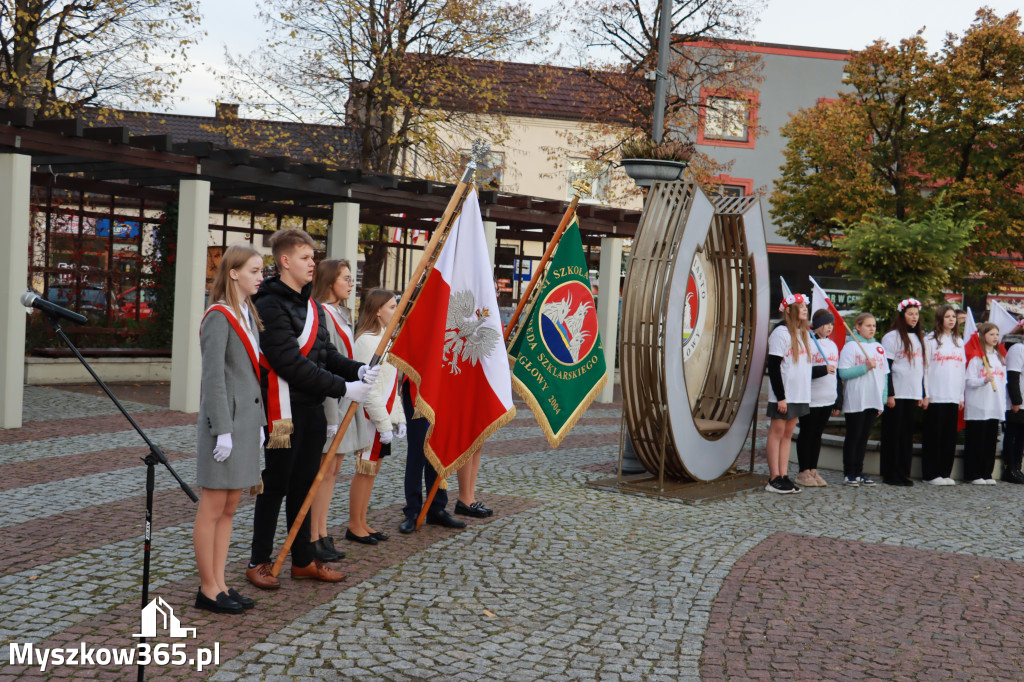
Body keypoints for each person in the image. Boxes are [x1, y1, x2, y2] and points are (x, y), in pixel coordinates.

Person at [246, 229, 378, 590]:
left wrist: (357, 370)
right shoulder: (269, 304)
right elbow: (289, 363)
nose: (312, 264)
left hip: (312, 412)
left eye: (313, 257)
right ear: (285, 261)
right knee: (276, 486)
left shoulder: (312, 306)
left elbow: (326, 355)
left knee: (305, 486)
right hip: (283, 412)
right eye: (305, 258)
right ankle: (258, 560)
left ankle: (302, 559)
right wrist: (343, 388)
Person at [194, 245, 267, 614]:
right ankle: (207, 588)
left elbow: (249, 377)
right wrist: (222, 429)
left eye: (261, 270)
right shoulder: (219, 316)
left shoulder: (246, 313)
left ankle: (220, 583)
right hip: (223, 426)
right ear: (233, 272)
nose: (260, 276)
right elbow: (213, 379)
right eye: (254, 270)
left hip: (245, 423)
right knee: (212, 506)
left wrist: (259, 425)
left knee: (231, 505)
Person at [309, 259, 371, 562]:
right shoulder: (321, 312)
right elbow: (325, 361)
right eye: (345, 278)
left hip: (345, 395)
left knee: (333, 469)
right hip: (330, 398)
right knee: (323, 470)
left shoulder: (341, 313)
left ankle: (321, 532)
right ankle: (312, 535)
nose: (351, 284)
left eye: (351, 279)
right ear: (329, 281)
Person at [348, 289, 406, 544]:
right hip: (369, 418)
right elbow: (368, 387)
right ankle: (354, 525)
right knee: (364, 470)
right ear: (377, 310)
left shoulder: (385, 338)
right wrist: (383, 423)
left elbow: (392, 384)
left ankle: (362, 521)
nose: (396, 311)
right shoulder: (367, 340)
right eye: (392, 307)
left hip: (382, 415)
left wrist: (399, 417)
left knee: (373, 471)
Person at [398, 377, 467, 533]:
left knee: (439, 446)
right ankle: (413, 510)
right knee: (418, 449)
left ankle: (436, 506)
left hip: (444, 384)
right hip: (418, 382)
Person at [764, 293, 813, 493]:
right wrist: (781, 397)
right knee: (776, 434)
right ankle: (774, 478)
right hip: (784, 395)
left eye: (805, 307)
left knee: (788, 435)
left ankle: (784, 475)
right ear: (788, 310)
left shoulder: (803, 334)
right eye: (800, 306)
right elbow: (774, 367)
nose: (804, 309)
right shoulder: (780, 333)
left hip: (799, 394)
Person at [837, 313, 888, 487]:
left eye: (874, 325)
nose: (872, 329)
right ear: (857, 327)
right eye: (868, 325)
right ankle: (848, 473)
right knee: (854, 436)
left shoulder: (878, 347)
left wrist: (882, 399)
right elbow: (843, 372)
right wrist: (865, 367)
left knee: (864, 438)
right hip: (857, 399)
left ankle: (858, 472)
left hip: (873, 399)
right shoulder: (850, 347)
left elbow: (884, 375)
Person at [880, 298, 925, 486]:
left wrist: (921, 393)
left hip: (912, 392)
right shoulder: (892, 337)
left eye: (916, 314)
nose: (914, 317)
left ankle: (903, 472)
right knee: (893, 433)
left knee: (906, 434)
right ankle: (890, 473)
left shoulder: (919, 337)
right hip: (897, 393)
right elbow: (887, 367)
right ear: (902, 315)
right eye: (910, 314)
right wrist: (889, 393)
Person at [795, 309, 841, 488]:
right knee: (807, 433)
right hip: (810, 397)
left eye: (831, 324)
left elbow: (836, 375)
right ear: (817, 324)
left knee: (817, 435)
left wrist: (838, 399)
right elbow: (801, 370)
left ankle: (813, 468)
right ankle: (803, 470)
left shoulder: (832, 345)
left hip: (827, 398)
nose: (829, 327)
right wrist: (822, 369)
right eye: (826, 323)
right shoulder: (807, 342)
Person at [921, 305, 965, 485]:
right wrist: (926, 393)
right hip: (935, 395)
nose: (951, 319)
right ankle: (930, 474)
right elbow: (924, 369)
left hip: (953, 396)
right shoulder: (930, 340)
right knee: (934, 436)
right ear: (940, 319)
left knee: (949, 437)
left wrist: (961, 395)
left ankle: (945, 472)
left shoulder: (958, 341)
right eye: (947, 316)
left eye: (953, 316)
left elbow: (962, 370)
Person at [964, 322, 1006, 485]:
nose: (995, 337)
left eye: (997, 334)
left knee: (990, 441)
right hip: (979, 406)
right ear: (983, 336)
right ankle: (973, 473)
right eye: (991, 334)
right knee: (977, 440)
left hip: (994, 406)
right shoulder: (977, 357)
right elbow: (969, 381)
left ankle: (986, 472)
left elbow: (1003, 383)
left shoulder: (998, 357)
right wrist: (983, 380)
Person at [1002, 323, 1024, 484]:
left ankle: (1017, 467)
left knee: (1021, 437)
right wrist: (1016, 400)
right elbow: (1013, 376)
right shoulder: (1018, 349)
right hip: (1018, 401)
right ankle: (1009, 468)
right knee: (1013, 434)